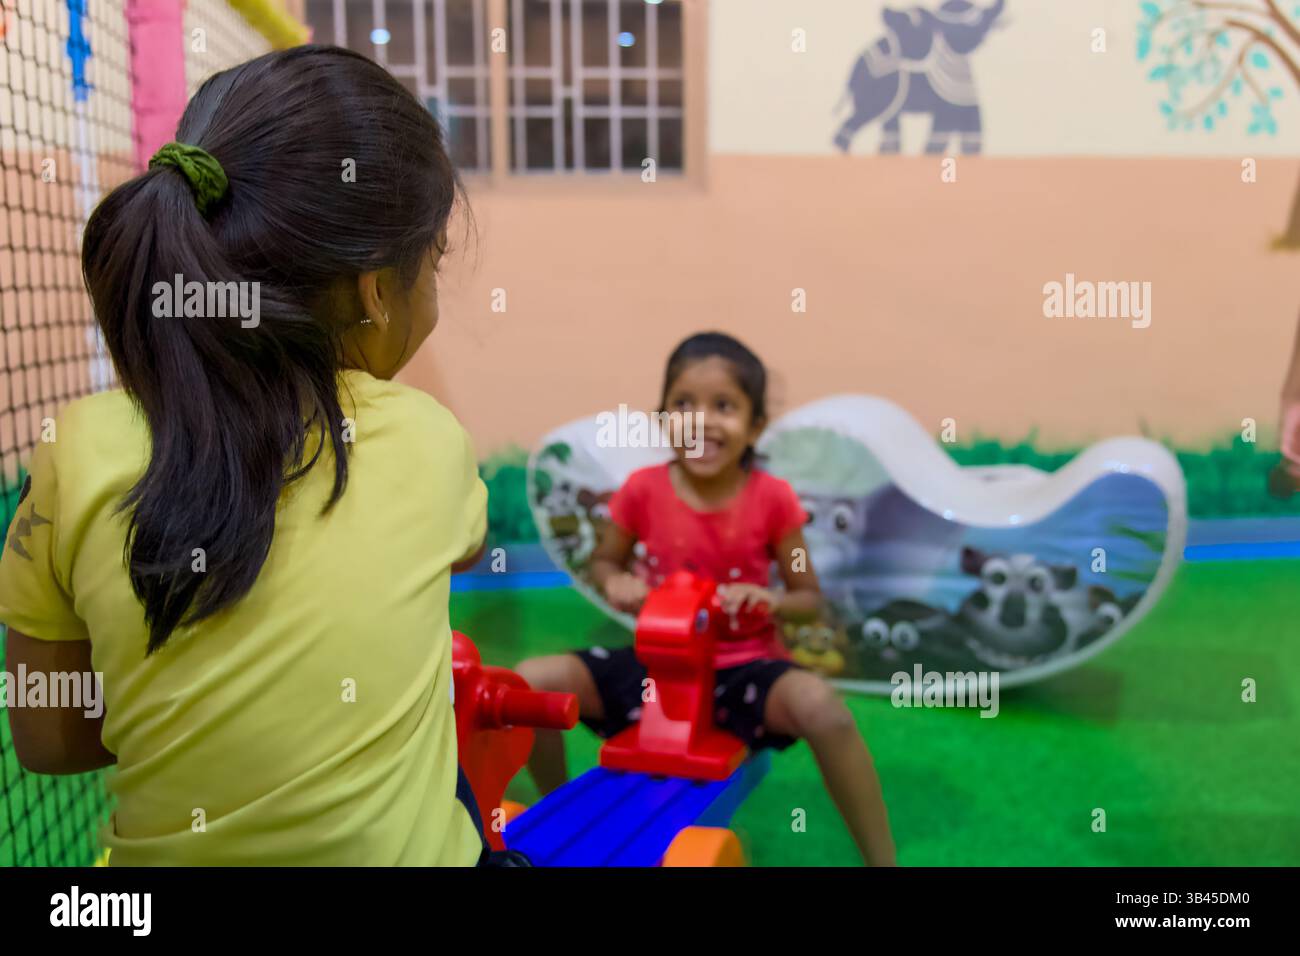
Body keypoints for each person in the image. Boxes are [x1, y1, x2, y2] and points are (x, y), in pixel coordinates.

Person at [0, 46, 490, 865]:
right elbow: (461, 548)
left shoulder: (73, 449)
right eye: (431, 265)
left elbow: (50, 741)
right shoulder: (426, 440)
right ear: (374, 291)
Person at [517, 332, 898, 866]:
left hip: (743, 674)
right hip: (659, 672)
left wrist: (767, 598)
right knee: (532, 680)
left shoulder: (773, 500)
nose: (701, 421)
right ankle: (559, 818)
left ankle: (883, 860)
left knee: (824, 709)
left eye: (724, 406)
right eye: (684, 404)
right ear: (662, 416)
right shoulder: (641, 491)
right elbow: (605, 561)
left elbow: (807, 597)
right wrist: (615, 581)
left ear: (756, 425)